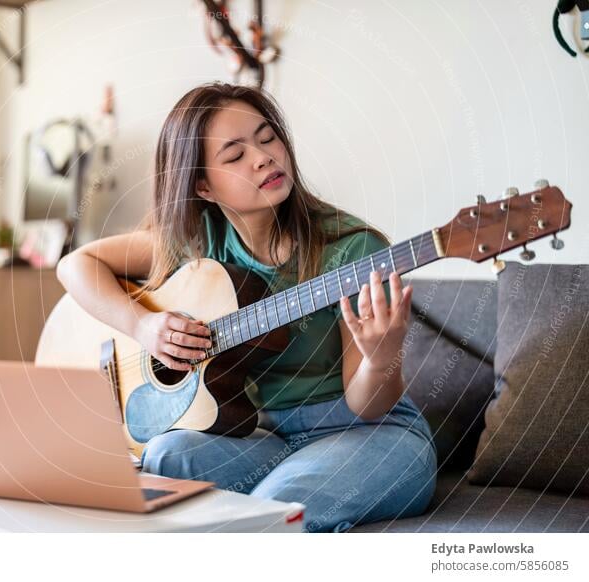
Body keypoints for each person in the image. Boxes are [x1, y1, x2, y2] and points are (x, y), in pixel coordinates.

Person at [56, 82, 437, 533]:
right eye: (235, 156)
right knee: (163, 456)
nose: (263, 157)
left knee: (274, 505)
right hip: (264, 439)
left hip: (367, 435)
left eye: (267, 137)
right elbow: (76, 265)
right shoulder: (199, 244)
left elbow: (367, 405)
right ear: (203, 186)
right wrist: (143, 326)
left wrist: (381, 357)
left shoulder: (353, 251)